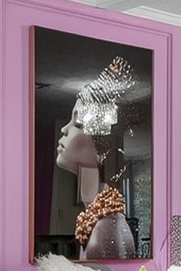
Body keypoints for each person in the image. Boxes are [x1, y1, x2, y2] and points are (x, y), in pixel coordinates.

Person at [55, 55, 140, 259]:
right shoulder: (99, 220)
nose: (64, 129)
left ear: (102, 148)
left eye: (77, 124)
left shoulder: (106, 230)